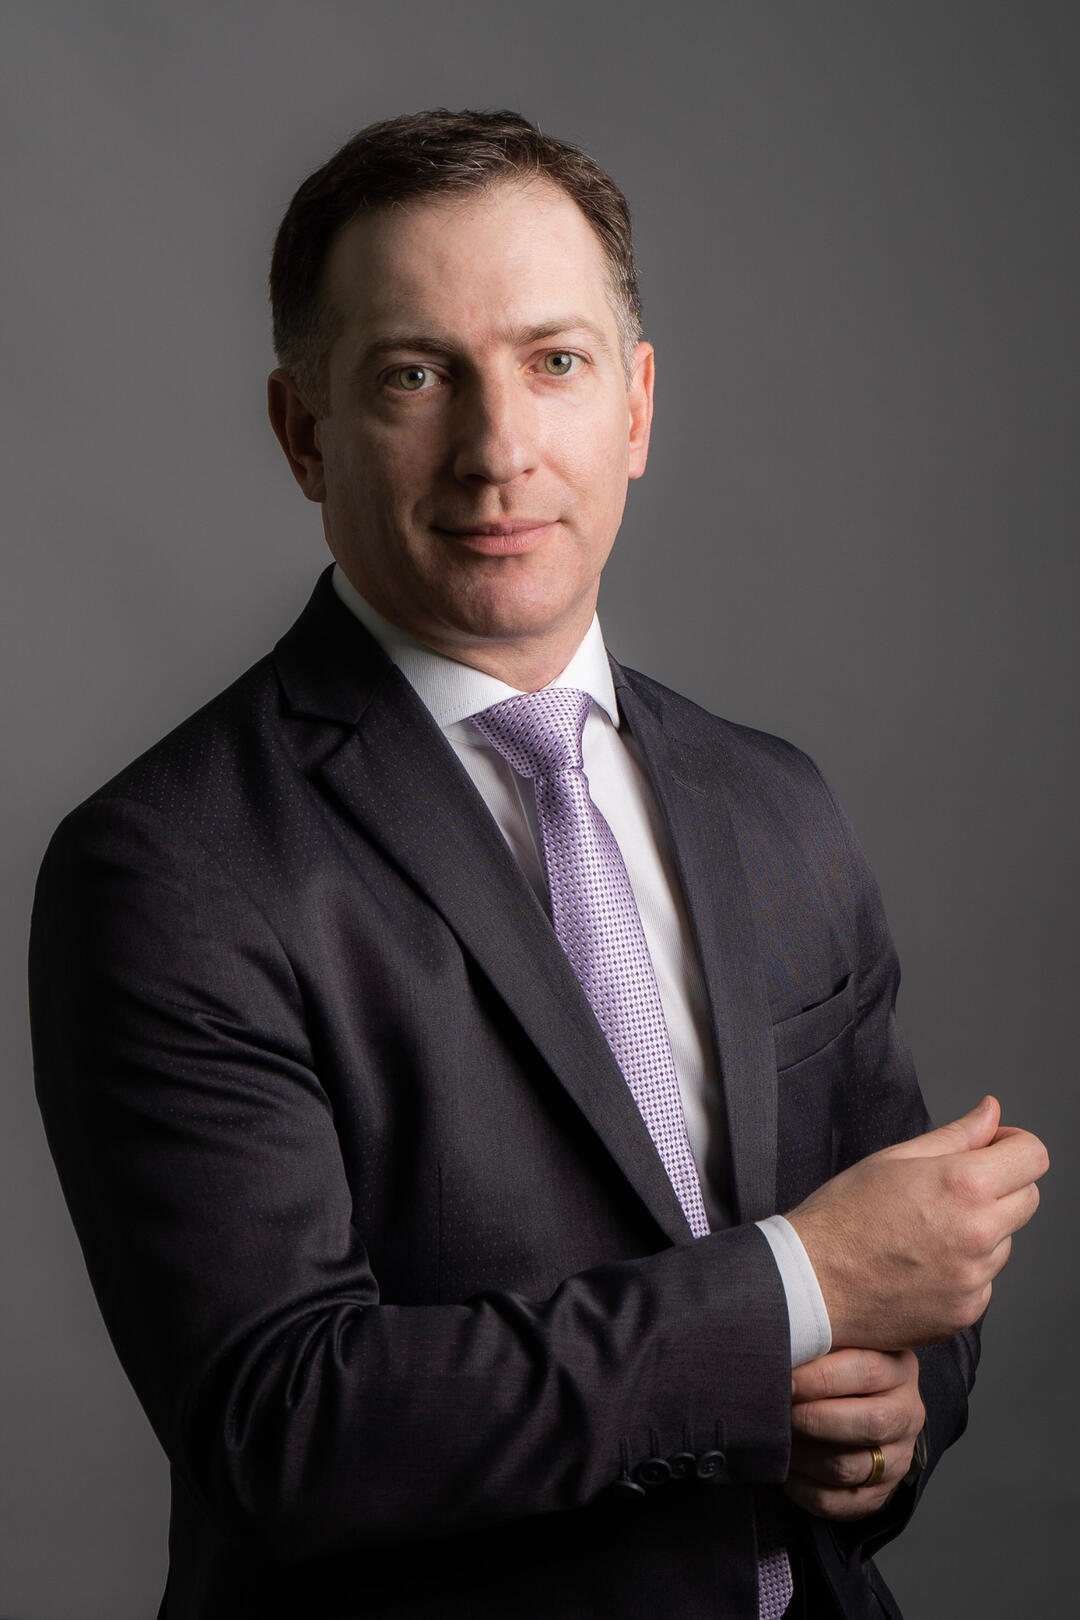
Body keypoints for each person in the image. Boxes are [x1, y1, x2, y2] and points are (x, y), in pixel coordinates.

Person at [29, 109, 1048, 1620]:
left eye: (555, 362)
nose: (497, 449)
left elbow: (895, 1269)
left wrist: (898, 1414)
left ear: (635, 407)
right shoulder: (169, 867)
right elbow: (286, 1426)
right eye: (415, 374)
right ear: (303, 433)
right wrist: (793, 1290)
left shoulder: (776, 801)